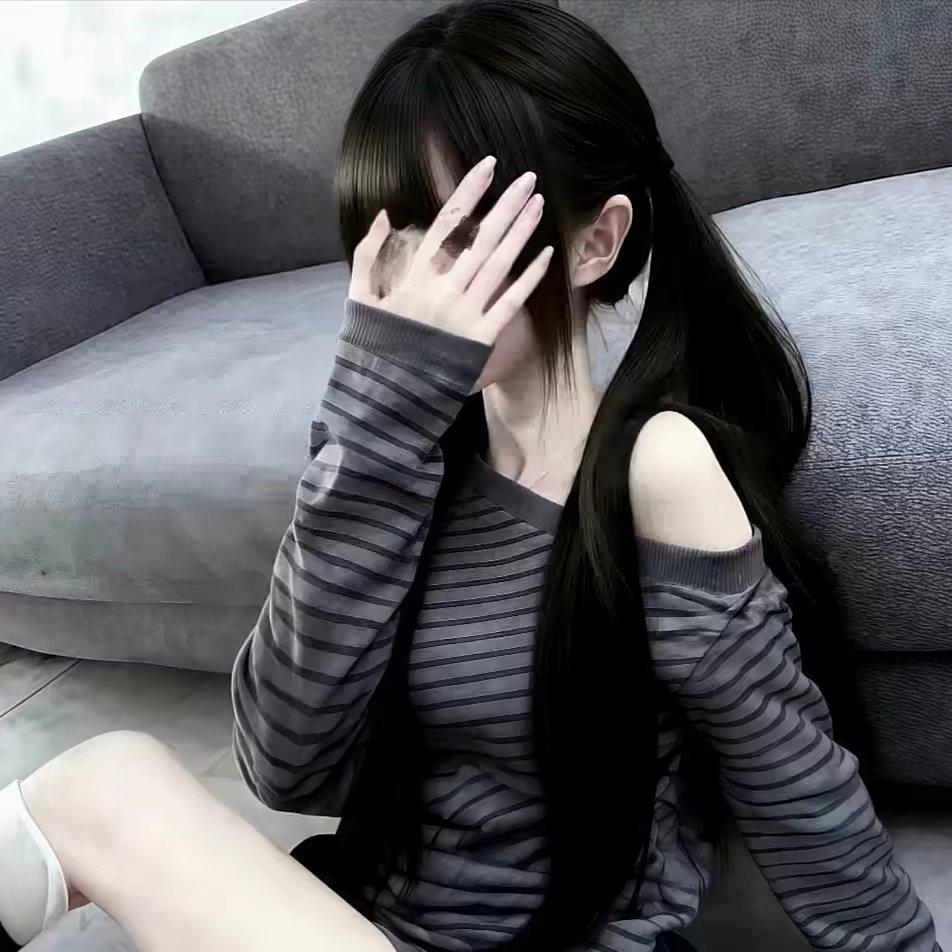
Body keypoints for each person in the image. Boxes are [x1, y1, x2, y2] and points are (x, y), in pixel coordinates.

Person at [0, 1, 942, 950]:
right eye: (384, 241)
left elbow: (799, 790)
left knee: (103, 787)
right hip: (364, 922)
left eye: (456, 236)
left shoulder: (655, 465)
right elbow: (285, 764)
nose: (410, 290)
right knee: (95, 795)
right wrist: (377, 423)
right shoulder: (392, 459)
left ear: (594, 244)